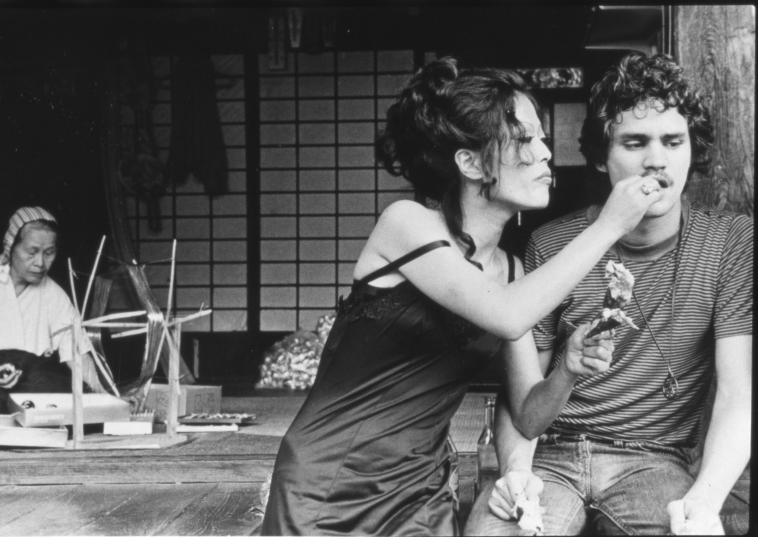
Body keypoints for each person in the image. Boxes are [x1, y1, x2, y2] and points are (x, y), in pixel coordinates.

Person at [261, 57, 662, 536]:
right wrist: (609, 225)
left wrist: (567, 370)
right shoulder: (406, 224)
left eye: (541, 138)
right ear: (470, 163)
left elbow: (528, 415)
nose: (544, 153)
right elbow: (508, 314)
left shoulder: (511, 270)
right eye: (524, 139)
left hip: (421, 491)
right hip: (330, 482)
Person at [465, 52, 752, 536]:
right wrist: (516, 473)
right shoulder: (551, 244)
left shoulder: (730, 243)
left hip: (654, 461)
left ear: (691, 150)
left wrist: (704, 500)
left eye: (673, 141)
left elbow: (736, 392)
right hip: (550, 454)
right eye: (635, 142)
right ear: (601, 157)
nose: (656, 159)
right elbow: (521, 395)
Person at [0, 206, 105, 415]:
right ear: (11, 247)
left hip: (35, 376)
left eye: (49, 253)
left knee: (65, 402)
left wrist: (103, 392)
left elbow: (77, 354)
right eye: (31, 252)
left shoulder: (55, 295)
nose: (40, 263)